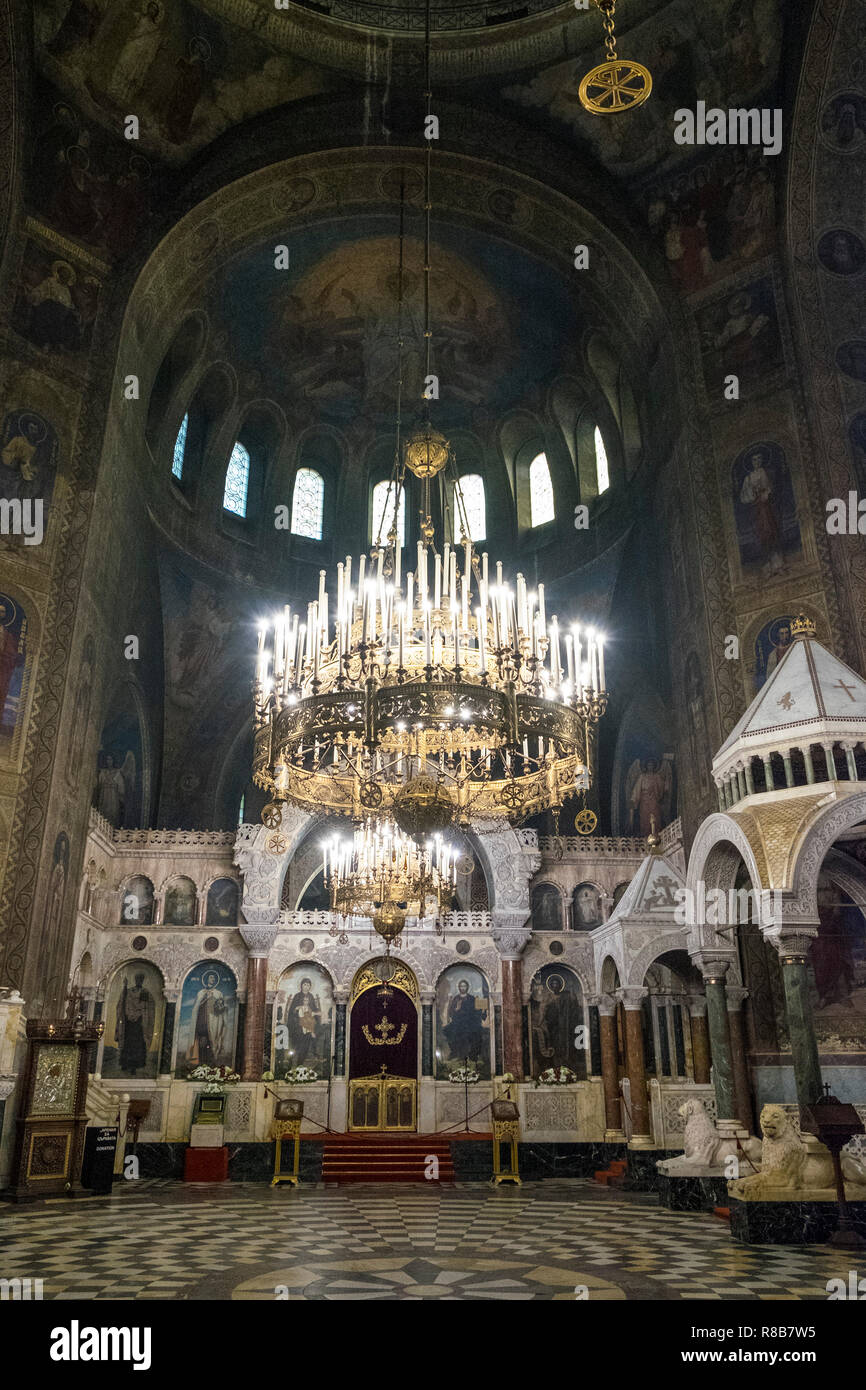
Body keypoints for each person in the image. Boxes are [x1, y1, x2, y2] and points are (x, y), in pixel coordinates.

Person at [115, 971, 155, 1075]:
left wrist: (141, 1016)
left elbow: (147, 1007)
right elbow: (122, 1003)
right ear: (135, 979)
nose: (139, 981)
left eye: (140, 979)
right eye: (137, 979)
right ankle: (125, 1063)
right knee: (127, 1043)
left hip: (139, 1023)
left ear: (142, 980)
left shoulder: (145, 992)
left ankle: (134, 1066)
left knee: (136, 1045)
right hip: (128, 1022)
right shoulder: (128, 991)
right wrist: (124, 986)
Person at [443, 979, 486, 1062]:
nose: (463, 988)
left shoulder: (472, 998)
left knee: (476, 1032)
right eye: (461, 986)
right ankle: (455, 1052)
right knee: (447, 1030)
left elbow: (477, 1012)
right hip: (458, 1022)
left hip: (470, 1022)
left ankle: (473, 1055)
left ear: (467, 987)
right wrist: (456, 1009)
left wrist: (482, 1009)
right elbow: (451, 1013)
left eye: (464, 986)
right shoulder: (456, 999)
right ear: (459, 987)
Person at [286, 978, 322, 1064]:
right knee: (300, 1033)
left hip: (309, 1021)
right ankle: (293, 1058)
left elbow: (313, 1008)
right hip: (297, 1022)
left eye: (308, 985)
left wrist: (317, 1012)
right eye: (304, 985)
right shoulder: (297, 996)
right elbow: (292, 1011)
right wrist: (297, 1009)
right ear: (301, 985)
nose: (306, 987)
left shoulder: (311, 996)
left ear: (310, 987)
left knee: (316, 1029)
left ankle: (309, 1054)